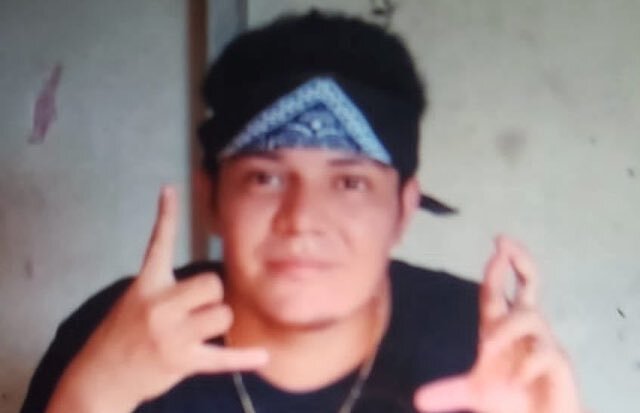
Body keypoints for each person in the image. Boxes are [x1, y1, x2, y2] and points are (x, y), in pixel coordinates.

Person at [20, 11, 584, 413]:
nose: (302, 217)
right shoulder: (120, 338)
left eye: (350, 183)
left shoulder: (478, 345)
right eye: (265, 178)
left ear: (403, 210)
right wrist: (90, 398)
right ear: (211, 198)